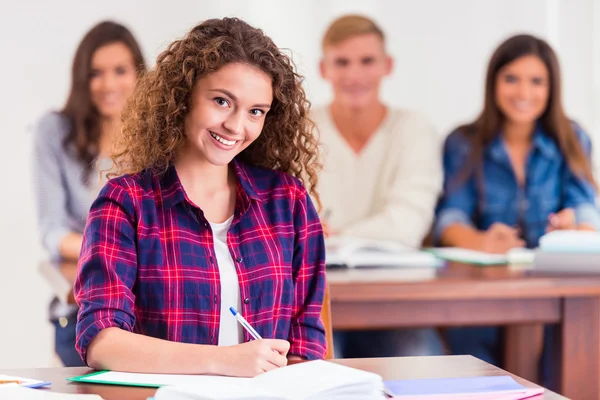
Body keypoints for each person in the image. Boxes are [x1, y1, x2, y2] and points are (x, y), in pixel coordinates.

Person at [74, 17, 327, 376]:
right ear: (184, 96)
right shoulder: (125, 203)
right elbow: (102, 342)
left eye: (256, 111)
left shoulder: (288, 201)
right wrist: (226, 361)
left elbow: (306, 342)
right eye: (222, 101)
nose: (237, 127)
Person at [434, 34, 600, 384]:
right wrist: (481, 241)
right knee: (473, 350)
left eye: (536, 81)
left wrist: (575, 230)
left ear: (551, 88)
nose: (524, 93)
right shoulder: (464, 141)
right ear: (493, 81)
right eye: (512, 78)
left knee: (574, 347)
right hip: (486, 291)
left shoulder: (572, 138)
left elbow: (586, 206)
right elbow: (450, 217)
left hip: (555, 289)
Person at [313, 14, 444, 358]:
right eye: (342, 62)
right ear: (323, 69)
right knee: (319, 370)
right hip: (316, 301)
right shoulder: (302, 128)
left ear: (387, 66)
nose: (354, 75)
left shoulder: (414, 128)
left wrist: (333, 236)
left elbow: (408, 226)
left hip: (396, 304)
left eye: (367, 61)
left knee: (420, 361)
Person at [32, 21, 146, 366]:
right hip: (80, 314)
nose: (108, 84)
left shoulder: (159, 140)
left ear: (140, 75)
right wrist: (113, 248)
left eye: (120, 71)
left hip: (152, 316)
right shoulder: (54, 132)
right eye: (95, 73)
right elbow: (51, 230)